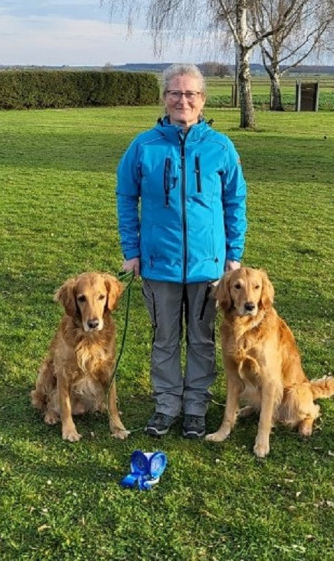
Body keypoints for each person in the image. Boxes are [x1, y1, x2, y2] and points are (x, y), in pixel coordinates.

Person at [116, 63, 247, 439]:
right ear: (164, 98)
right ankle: (167, 405)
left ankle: (195, 407)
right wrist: (132, 250)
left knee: (202, 339)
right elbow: (126, 196)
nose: (182, 100)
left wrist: (233, 253)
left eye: (190, 94)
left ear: (202, 99)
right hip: (159, 264)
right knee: (165, 339)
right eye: (175, 93)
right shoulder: (144, 146)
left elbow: (235, 201)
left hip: (209, 267)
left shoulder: (220, 147)